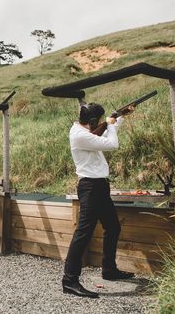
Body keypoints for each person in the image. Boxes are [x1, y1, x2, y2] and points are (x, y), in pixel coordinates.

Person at [62, 103, 134, 299]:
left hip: (99, 186)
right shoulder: (79, 135)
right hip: (91, 188)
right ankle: (69, 280)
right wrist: (110, 124)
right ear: (93, 121)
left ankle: (109, 270)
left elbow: (103, 135)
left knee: (113, 227)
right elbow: (112, 144)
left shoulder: (84, 131)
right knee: (83, 233)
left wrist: (119, 118)